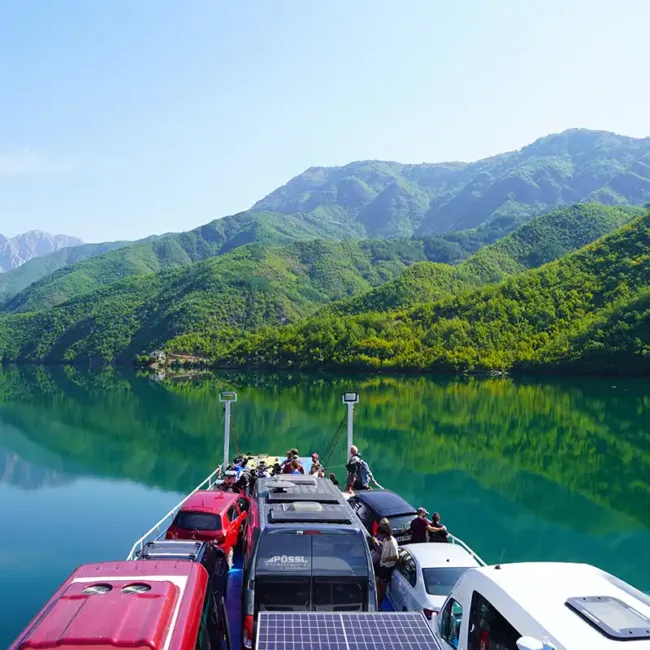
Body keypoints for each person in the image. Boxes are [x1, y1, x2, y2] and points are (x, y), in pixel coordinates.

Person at [372, 521, 398, 605]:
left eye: (381, 534)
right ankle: (378, 600)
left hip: (387, 567)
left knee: (382, 586)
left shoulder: (392, 542)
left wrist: (385, 559)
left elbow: (396, 556)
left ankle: (380, 603)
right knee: (378, 583)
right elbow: (385, 547)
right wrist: (379, 543)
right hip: (382, 565)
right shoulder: (386, 539)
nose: (380, 536)